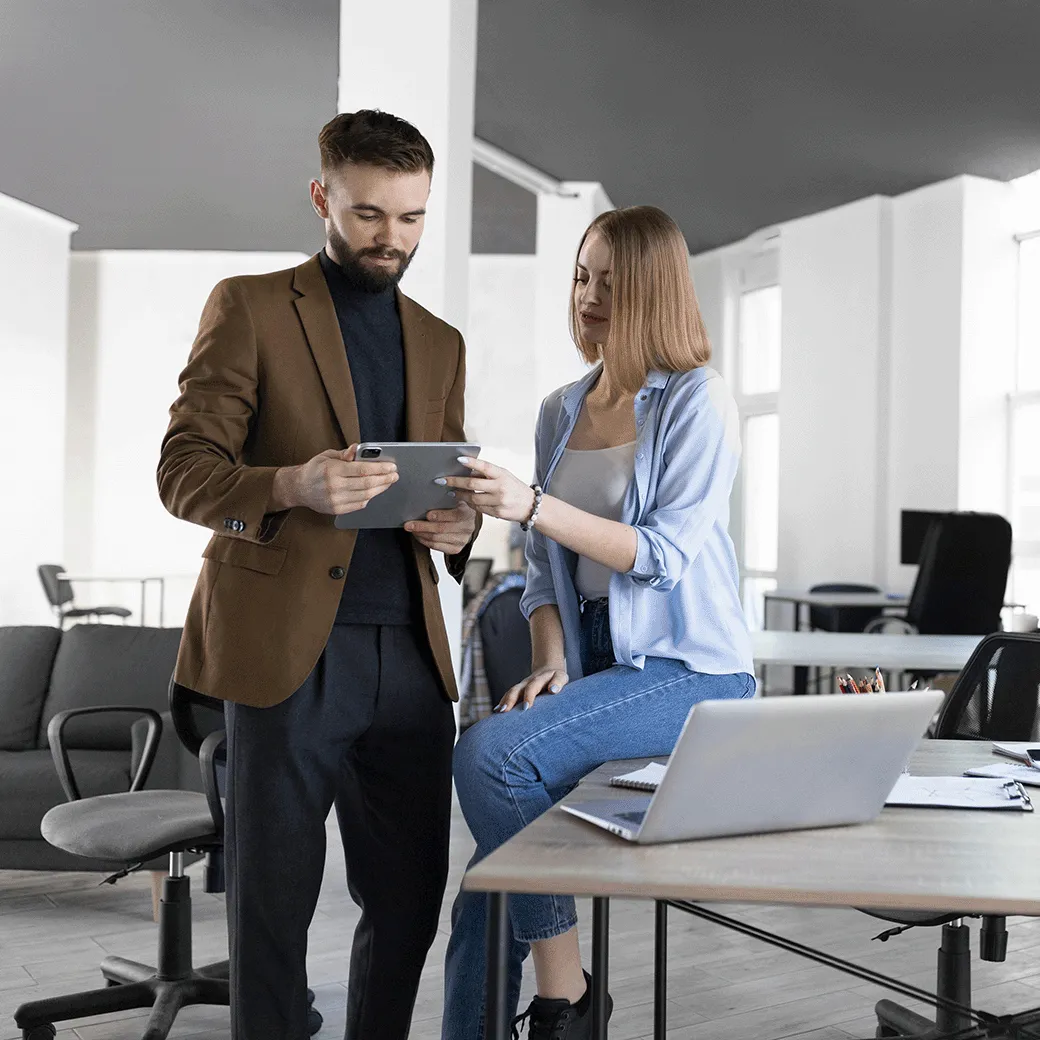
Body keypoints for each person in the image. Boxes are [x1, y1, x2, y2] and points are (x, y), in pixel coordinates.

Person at [157, 110, 478, 1040]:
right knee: (273, 904)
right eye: (371, 215)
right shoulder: (251, 305)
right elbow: (183, 470)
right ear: (322, 197)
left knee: (410, 897)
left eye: (412, 218)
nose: (393, 239)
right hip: (286, 655)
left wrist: (457, 530)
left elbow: (446, 497)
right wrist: (292, 482)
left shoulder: (442, 340)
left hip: (411, 656)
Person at [439, 205, 755, 1039]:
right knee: (488, 880)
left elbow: (662, 556)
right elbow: (542, 572)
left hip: (691, 673)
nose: (588, 295)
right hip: (600, 672)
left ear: (653, 292)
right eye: (582, 276)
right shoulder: (560, 408)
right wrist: (553, 660)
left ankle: (565, 996)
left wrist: (535, 504)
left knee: (489, 755)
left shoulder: (696, 401)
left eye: (611, 283)